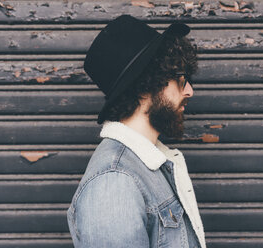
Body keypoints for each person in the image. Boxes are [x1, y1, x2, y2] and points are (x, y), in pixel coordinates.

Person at [67, 14, 206, 248]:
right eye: (182, 80)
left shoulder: (147, 165)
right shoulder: (114, 183)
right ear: (148, 84)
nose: (190, 91)